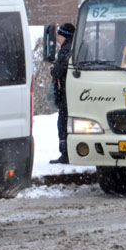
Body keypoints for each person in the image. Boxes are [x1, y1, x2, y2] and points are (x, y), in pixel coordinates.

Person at [50, 22, 76, 164]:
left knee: (63, 123)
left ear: (65, 35)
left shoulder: (66, 50)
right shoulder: (77, 46)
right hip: (73, 94)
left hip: (66, 94)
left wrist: (53, 71)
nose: (58, 38)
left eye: (60, 34)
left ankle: (65, 154)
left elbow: (60, 70)